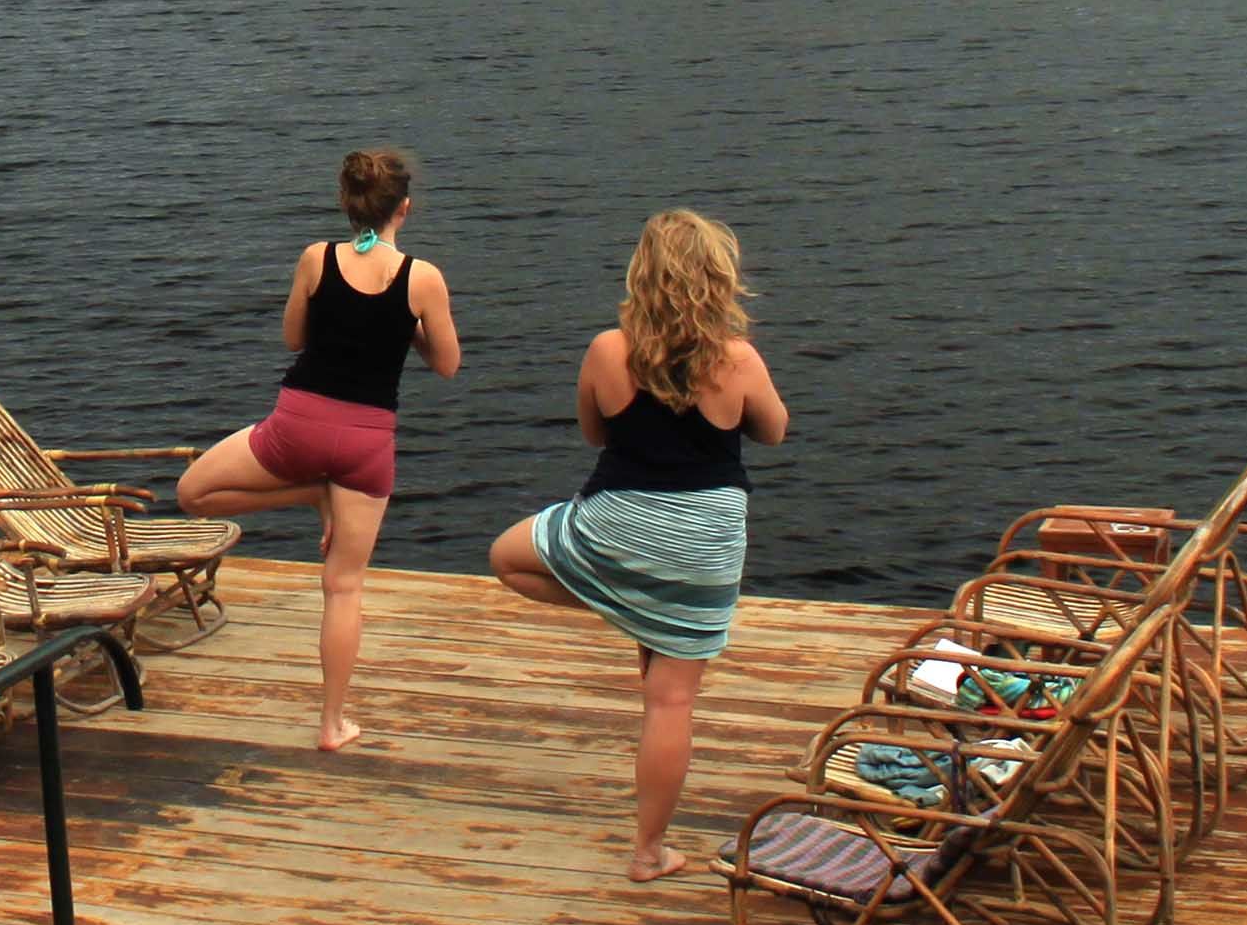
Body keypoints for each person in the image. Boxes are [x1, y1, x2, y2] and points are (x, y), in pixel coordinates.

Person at [491, 208, 787, 880]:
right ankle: (648, 852)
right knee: (670, 700)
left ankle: (625, 601)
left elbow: (594, 434)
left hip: (618, 521)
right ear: (719, 279)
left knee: (506, 554)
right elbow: (773, 431)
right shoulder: (737, 358)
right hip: (705, 537)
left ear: (642, 275)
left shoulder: (606, 349)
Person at [174, 147, 462, 752]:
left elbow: (292, 336)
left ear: (346, 204)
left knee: (192, 493)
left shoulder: (316, 259)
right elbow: (447, 365)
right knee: (344, 587)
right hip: (365, 445)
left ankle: (307, 491)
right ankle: (332, 724)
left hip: (296, 427)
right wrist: (403, 328)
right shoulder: (423, 278)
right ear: (403, 209)